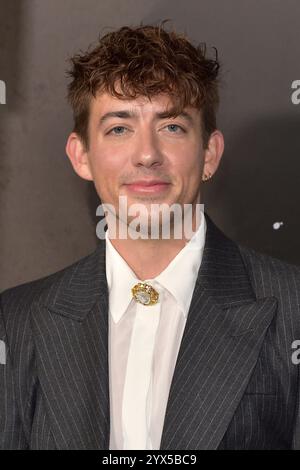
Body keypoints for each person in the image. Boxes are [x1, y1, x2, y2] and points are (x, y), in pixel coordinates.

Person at [1, 22, 300, 451]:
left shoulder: (293, 309)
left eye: (172, 126)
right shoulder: (13, 323)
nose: (147, 154)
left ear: (210, 153)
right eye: (119, 128)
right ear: (81, 155)